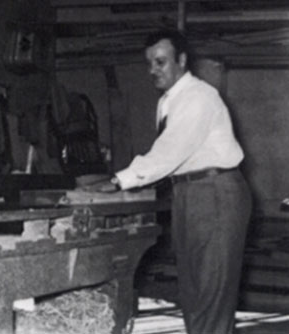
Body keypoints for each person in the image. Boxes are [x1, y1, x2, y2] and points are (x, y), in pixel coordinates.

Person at [90, 30, 251, 334]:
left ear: (182, 60)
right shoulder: (169, 101)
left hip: (214, 194)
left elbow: (169, 152)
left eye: (161, 62)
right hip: (190, 192)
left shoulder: (198, 97)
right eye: (149, 63)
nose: (153, 70)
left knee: (210, 295)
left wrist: (117, 181)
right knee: (193, 293)